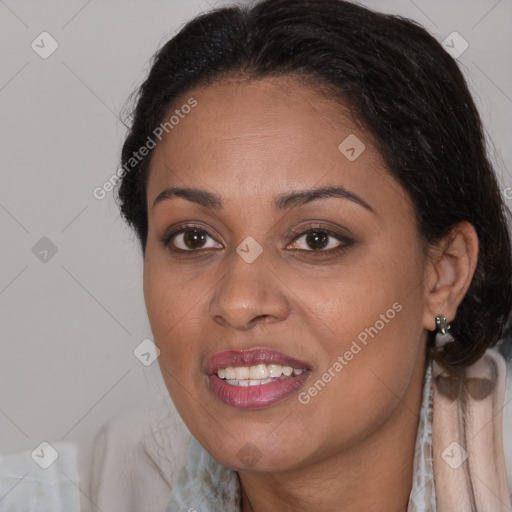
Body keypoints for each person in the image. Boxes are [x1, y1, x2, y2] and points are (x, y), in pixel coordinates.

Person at [102, 0, 512, 510]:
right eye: (194, 238)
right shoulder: (92, 488)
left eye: (317, 239)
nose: (240, 302)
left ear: (442, 275)